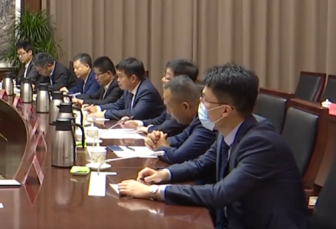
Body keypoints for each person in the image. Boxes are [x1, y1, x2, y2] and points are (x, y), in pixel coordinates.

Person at [118, 63, 310, 229]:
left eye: (205, 100)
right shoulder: (230, 128)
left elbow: (220, 193)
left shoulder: (260, 143)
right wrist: (164, 175)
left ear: (225, 110)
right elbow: (201, 163)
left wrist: (152, 192)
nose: (200, 104)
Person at [143, 76, 215, 164]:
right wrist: (156, 140)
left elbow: (178, 156)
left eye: (169, 107)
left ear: (185, 107)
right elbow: (179, 139)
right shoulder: (197, 117)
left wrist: (161, 147)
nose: (168, 112)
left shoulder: (206, 122)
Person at [124, 58, 199, 136]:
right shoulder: (172, 98)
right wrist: (139, 123)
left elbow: (166, 128)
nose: (162, 79)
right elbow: (160, 120)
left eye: (168, 78)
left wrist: (146, 129)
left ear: (181, 82)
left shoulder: (182, 106)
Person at [87, 57, 165, 120]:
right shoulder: (129, 88)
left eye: (120, 76)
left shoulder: (146, 91)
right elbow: (118, 105)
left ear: (133, 78)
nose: (117, 80)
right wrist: (97, 108)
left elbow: (134, 113)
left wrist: (104, 114)